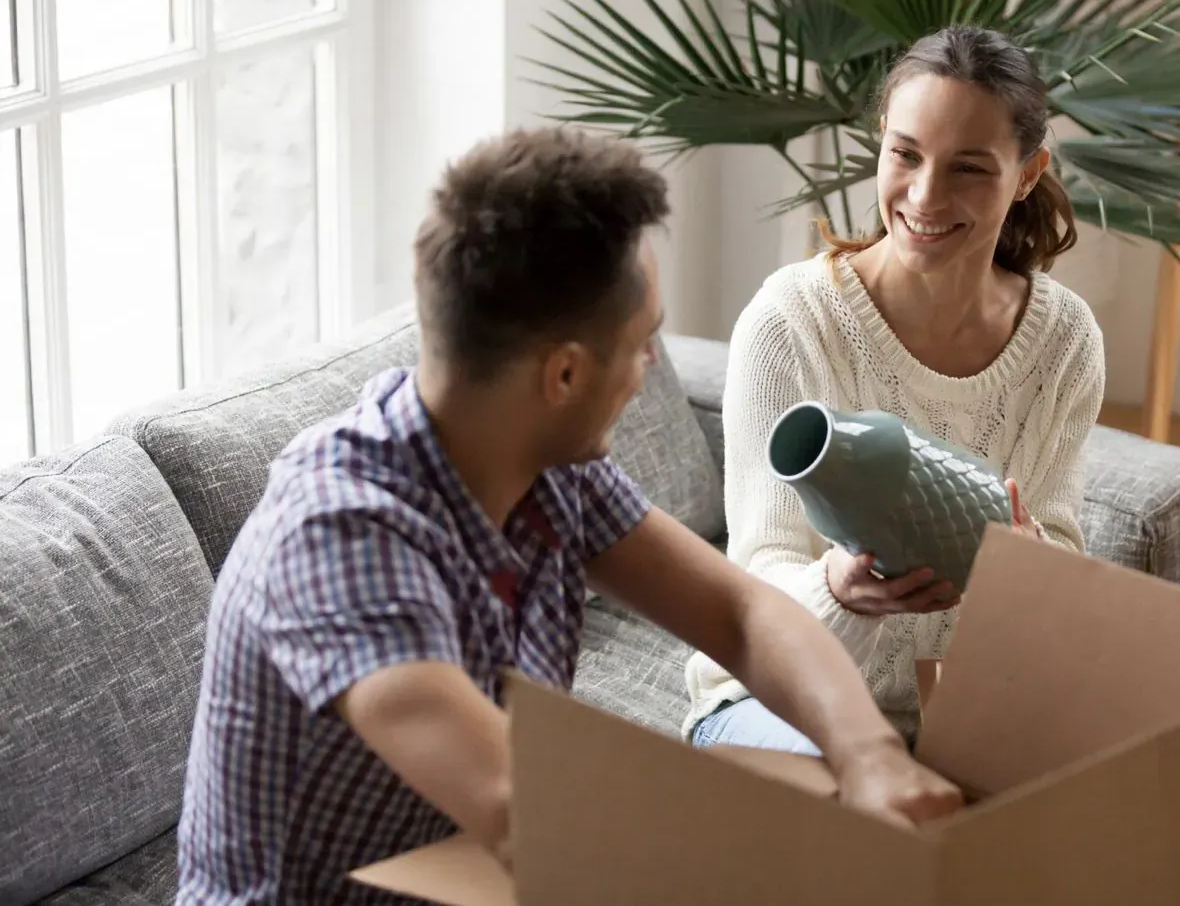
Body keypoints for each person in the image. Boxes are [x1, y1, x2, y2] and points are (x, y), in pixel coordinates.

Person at [174, 127, 963, 904]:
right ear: (563, 373)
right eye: (643, 340)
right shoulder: (340, 537)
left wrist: (870, 757)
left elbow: (742, 614)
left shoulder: (547, 468)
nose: (653, 366)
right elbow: (525, 814)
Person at [684, 25, 1107, 754]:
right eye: (905, 154)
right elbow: (757, 582)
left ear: (1029, 173)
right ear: (881, 139)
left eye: (969, 169)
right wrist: (841, 592)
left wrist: (1029, 568)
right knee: (871, 810)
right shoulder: (791, 323)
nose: (924, 195)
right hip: (779, 703)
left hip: (960, 714)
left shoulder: (1065, 339)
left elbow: (1063, 559)